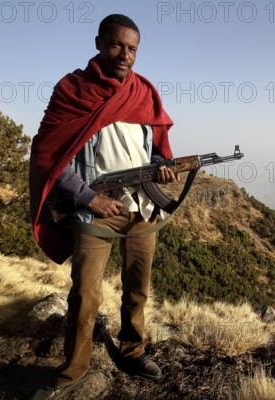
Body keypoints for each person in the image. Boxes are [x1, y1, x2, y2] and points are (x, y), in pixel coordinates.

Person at [29, 14, 177, 400]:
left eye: (132, 49)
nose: (124, 55)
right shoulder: (72, 89)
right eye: (116, 45)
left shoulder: (143, 92)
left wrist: (163, 170)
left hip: (142, 210)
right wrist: (88, 198)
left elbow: (154, 151)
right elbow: (48, 156)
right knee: (85, 296)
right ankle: (72, 372)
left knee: (138, 291)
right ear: (98, 43)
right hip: (93, 213)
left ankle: (132, 352)